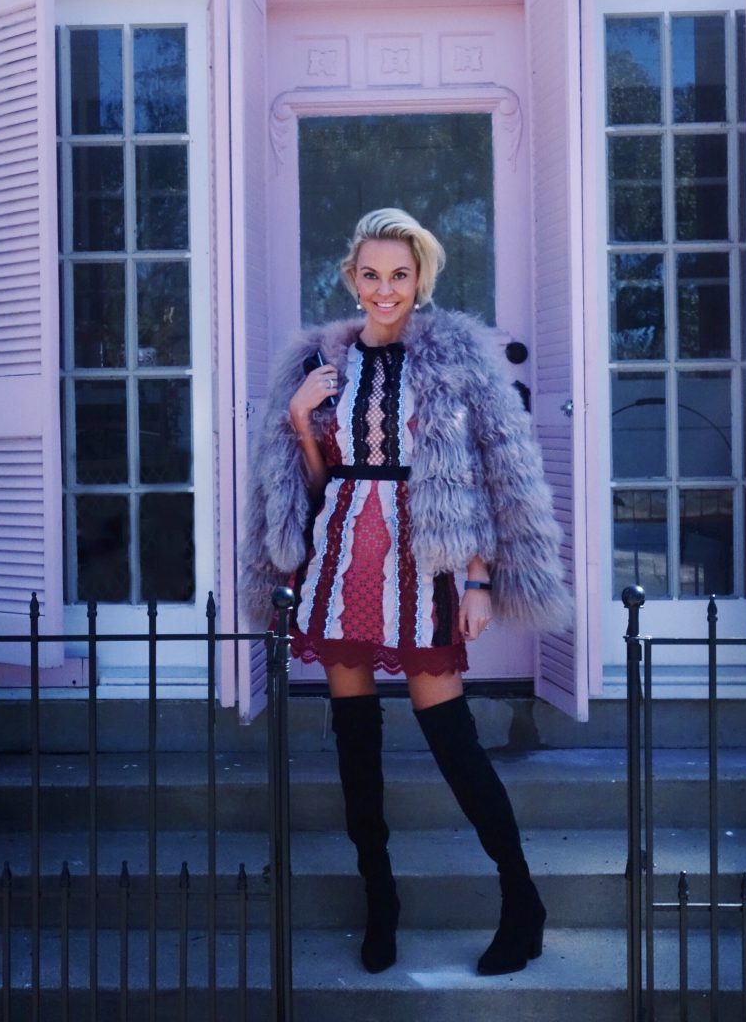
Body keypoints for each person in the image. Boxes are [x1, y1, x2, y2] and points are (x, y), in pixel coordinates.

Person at [241, 208, 573, 976]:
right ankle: (379, 902)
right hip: (339, 562)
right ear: (351, 279)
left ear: (419, 278)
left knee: (452, 740)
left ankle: (522, 902)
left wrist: (482, 578)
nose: (384, 289)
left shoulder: (456, 359)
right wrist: (299, 421)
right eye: (370, 275)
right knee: (356, 744)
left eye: (399, 274)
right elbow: (316, 484)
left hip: (425, 565)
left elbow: (496, 471)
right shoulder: (319, 364)